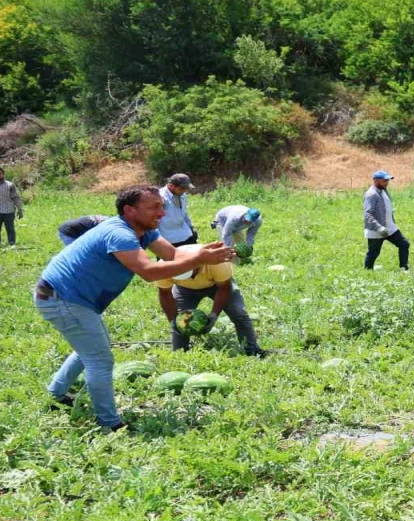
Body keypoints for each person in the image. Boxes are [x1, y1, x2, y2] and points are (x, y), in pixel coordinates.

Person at [35, 185, 235, 431]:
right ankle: (109, 423)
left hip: (73, 299)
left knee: (89, 349)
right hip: (62, 298)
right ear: (130, 210)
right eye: (154, 207)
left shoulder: (145, 232)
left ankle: (55, 395)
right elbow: (148, 272)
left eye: (161, 207)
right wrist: (199, 259)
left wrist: (200, 253)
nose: (161, 213)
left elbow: (173, 256)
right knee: (99, 359)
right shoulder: (119, 234)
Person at [156, 250, 265, 357]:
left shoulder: (218, 262)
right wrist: (172, 320)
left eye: (191, 275)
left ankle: (252, 350)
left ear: (197, 264)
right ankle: (180, 354)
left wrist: (214, 315)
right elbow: (165, 294)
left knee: (238, 312)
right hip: (184, 290)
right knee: (182, 321)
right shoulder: (164, 268)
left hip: (217, 285)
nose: (190, 279)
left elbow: (224, 289)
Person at [363, 170, 410, 270]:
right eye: (384, 181)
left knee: (404, 244)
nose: (386, 183)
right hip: (377, 230)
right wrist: (379, 227)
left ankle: (404, 268)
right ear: (376, 181)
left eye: (387, 181)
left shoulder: (383, 190)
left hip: (390, 227)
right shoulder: (371, 194)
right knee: (373, 253)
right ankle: (368, 271)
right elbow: (367, 214)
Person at [158, 173, 199, 246]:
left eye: (185, 189)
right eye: (182, 189)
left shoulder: (182, 194)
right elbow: (154, 219)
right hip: (168, 239)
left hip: (185, 235)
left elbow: (184, 213)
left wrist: (191, 228)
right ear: (171, 186)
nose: (184, 191)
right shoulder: (160, 197)